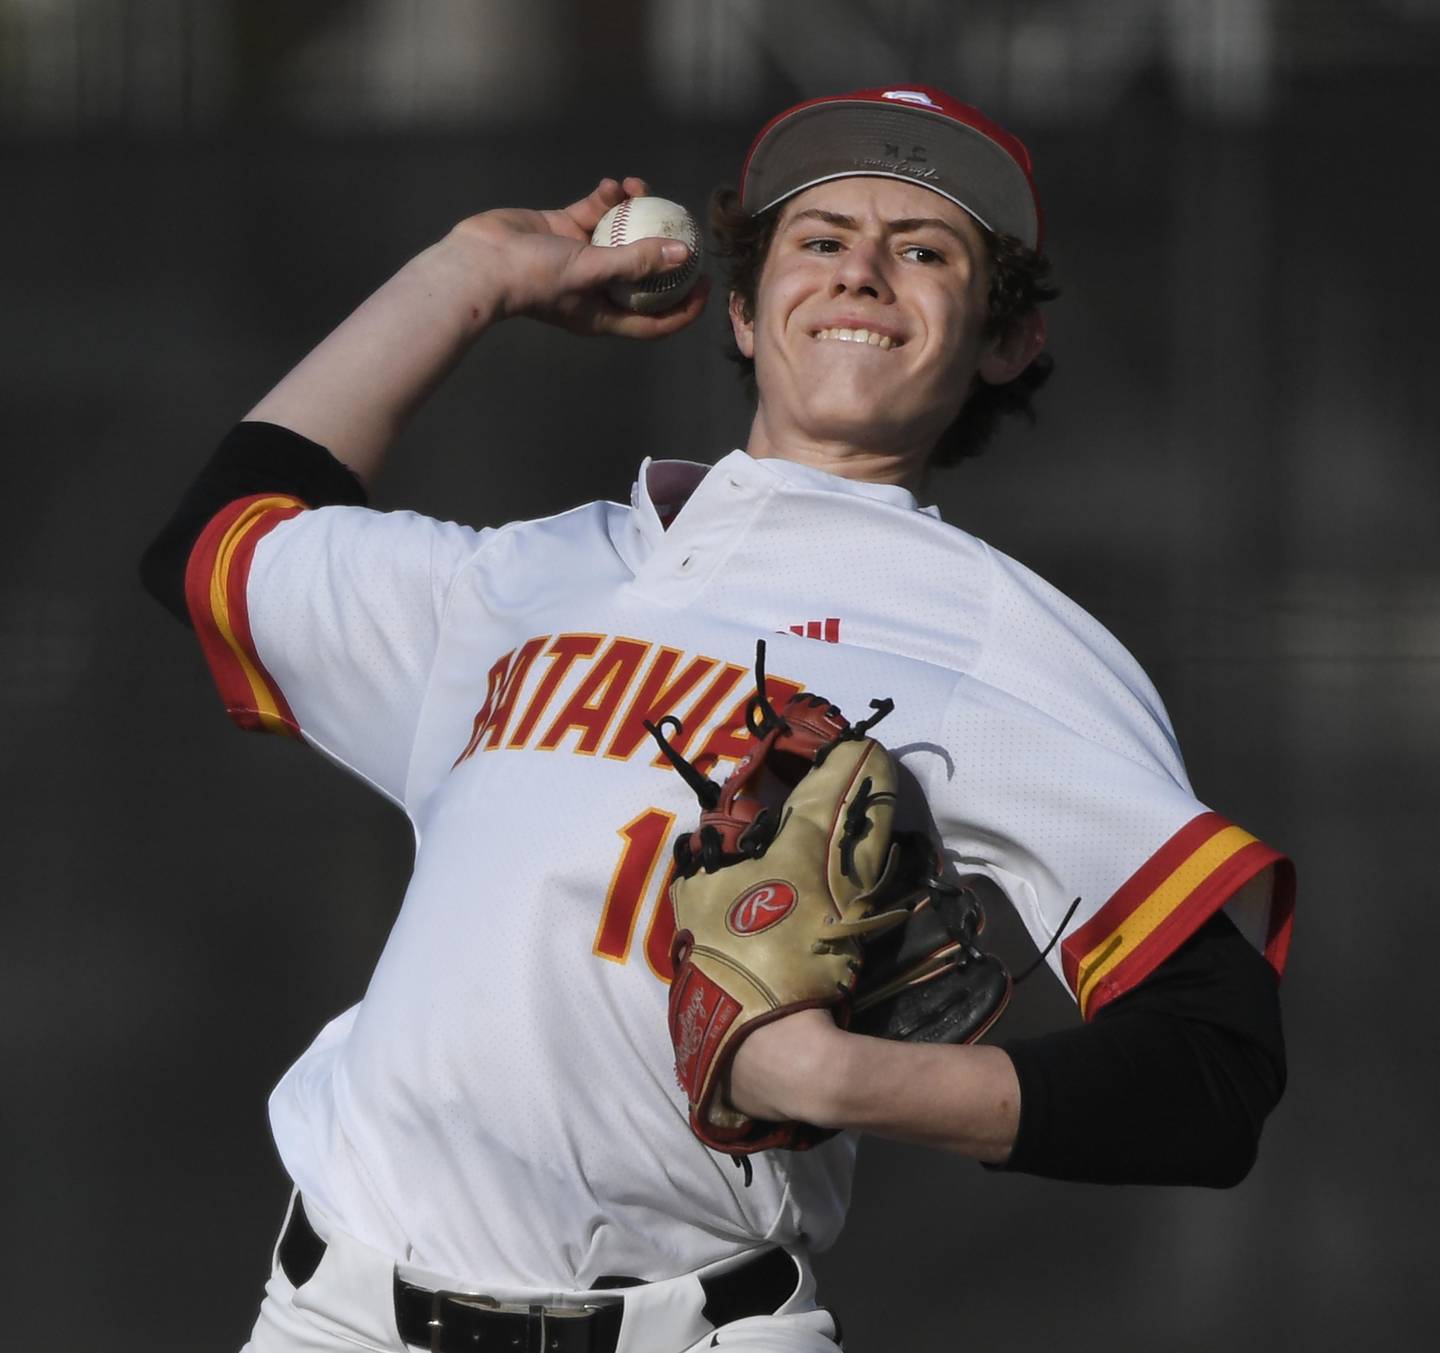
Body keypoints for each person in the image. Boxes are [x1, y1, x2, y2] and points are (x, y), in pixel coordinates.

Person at [142, 85, 1294, 1353]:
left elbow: (1214, 1072)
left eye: (923, 249)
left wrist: (841, 1080)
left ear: (1005, 341)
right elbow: (216, 544)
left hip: (693, 1328)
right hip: (336, 1316)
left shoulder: (1003, 639)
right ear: (744, 310)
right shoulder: (529, 574)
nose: (861, 267)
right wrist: (467, 276)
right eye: (818, 238)